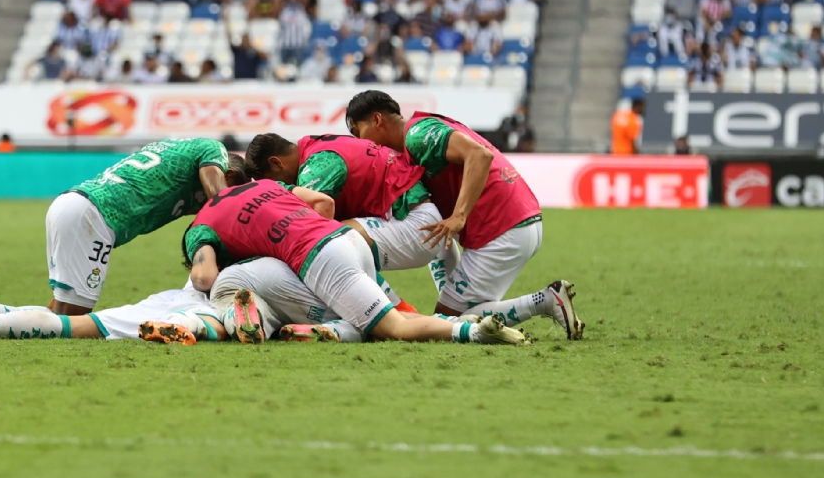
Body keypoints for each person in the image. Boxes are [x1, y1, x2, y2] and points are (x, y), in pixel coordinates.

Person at [244, 132, 579, 335]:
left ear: (276, 164)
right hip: (426, 222)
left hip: (417, 225)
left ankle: (390, 316)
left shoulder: (318, 164)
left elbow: (309, 217)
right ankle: (543, 301)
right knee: (454, 319)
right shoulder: (320, 145)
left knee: (331, 244)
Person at [344, 91, 581, 334]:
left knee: (445, 323)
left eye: (358, 132)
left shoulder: (416, 135)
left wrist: (459, 215)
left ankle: (546, 301)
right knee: (456, 311)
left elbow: (480, 155)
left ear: (377, 119)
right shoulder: (419, 134)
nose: (362, 142)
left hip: (501, 228)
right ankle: (463, 295)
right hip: (518, 221)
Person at [184, 180, 527, 344]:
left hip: (322, 258)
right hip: (349, 240)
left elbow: (203, 277)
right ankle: (463, 321)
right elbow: (323, 202)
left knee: (393, 328)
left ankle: (472, 331)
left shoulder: (200, 226)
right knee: (384, 314)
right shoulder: (263, 185)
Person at [42, 139, 240, 316]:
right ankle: (12, 325)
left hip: (75, 203)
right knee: (72, 317)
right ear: (228, 172)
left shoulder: (178, 158)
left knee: (62, 308)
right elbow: (220, 204)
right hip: (92, 216)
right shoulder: (213, 149)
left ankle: (11, 316)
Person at [0, 282, 227, 344]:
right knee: (67, 327)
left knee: (66, 321)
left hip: (174, 294)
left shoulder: (216, 221)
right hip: (204, 305)